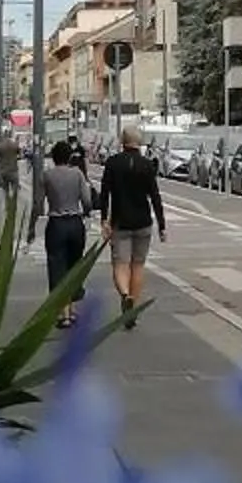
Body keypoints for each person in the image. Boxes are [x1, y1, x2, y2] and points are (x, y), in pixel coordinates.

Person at [98, 119, 168, 329]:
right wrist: (162, 225)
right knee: (138, 265)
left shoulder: (113, 163)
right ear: (139, 142)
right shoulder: (147, 165)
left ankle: (125, 294)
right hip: (143, 222)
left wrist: (104, 219)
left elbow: (104, 193)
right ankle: (133, 309)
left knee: (120, 264)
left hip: (120, 222)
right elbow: (155, 196)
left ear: (122, 141)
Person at [31, 138, 94, 328]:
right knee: (74, 267)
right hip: (75, 224)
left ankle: (63, 314)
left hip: (56, 225)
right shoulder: (77, 174)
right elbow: (87, 200)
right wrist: (87, 212)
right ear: (69, 157)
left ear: (53, 157)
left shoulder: (47, 175)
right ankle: (71, 310)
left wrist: (31, 227)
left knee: (57, 267)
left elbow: (38, 203)